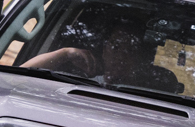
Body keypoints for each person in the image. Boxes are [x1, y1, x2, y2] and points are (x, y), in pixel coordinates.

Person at [24, 11, 182, 93]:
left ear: (140, 58)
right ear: (104, 50)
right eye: (114, 45)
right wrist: (64, 54)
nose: (118, 54)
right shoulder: (78, 80)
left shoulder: (148, 96)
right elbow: (19, 78)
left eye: (128, 49)